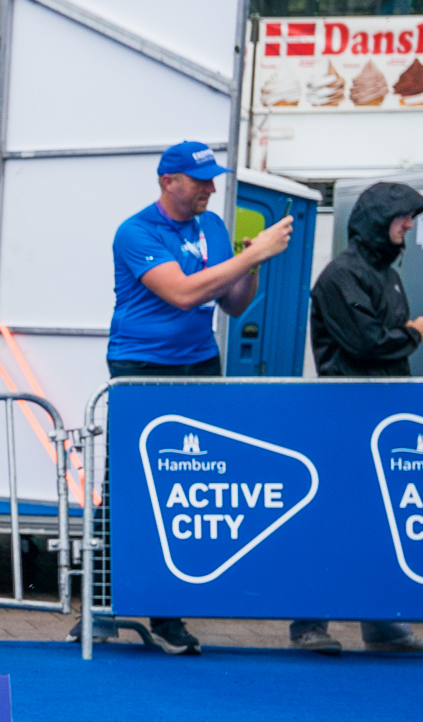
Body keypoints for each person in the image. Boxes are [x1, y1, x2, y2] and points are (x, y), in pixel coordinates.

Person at [106, 140, 293, 655]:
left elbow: (233, 305)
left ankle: (169, 614)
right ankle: (101, 605)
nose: (210, 188)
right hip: (141, 366)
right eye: (200, 180)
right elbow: (184, 293)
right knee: (128, 481)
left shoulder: (211, 225)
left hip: (200, 362)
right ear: (168, 181)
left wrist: (252, 266)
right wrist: (251, 255)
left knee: (190, 480)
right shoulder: (136, 231)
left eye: (213, 178)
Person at [292, 183, 423, 655]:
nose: (410, 224)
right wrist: (414, 333)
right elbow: (366, 342)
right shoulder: (341, 275)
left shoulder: (385, 274)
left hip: (381, 412)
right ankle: (308, 625)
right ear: (379, 220)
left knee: (380, 519)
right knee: (332, 518)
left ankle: (384, 626)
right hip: (346, 414)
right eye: (403, 217)